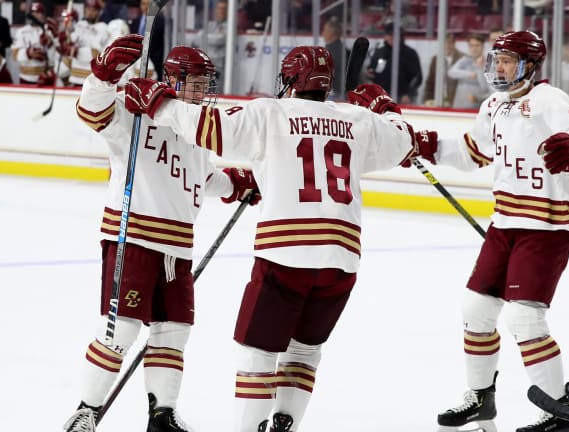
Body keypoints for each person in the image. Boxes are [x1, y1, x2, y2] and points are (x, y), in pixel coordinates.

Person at [122, 46, 416, 432]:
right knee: (306, 349)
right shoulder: (357, 120)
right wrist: (386, 108)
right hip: (342, 259)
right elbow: (405, 141)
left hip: (286, 254)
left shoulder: (269, 112)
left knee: (257, 352)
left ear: (291, 79)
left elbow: (210, 128)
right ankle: (285, 424)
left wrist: (159, 104)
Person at [63, 35, 261, 432]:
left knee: (174, 331)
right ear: (175, 77)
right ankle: (85, 411)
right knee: (121, 330)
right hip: (133, 236)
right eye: (198, 82)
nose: (205, 91)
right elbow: (91, 111)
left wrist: (235, 183)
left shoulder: (193, 126)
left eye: (208, 83)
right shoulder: (135, 110)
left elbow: (200, 178)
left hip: (177, 246)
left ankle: (162, 414)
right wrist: (104, 75)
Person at [409, 30, 569, 432]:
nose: (498, 67)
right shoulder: (494, 104)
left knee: (524, 319)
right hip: (505, 223)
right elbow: (470, 152)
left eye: (507, 61)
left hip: (545, 226)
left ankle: (557, 410)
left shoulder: (550, 99)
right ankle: (481, 398)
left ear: (530, 65)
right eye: (496, 60)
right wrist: (423, 144)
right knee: (475, 309)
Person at [365, 21, 423, 104]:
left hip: (403, 98)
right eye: (389, 35)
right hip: (381, 98)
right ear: (385, 36)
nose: (391, 37)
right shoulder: (379, 52)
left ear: (400, 37)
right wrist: (369, 75)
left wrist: (408, 94)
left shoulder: (410, 54)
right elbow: (372, 72)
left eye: (394, 35)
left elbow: (417, 77)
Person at [58, 0, 110, 86]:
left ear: (99, 12)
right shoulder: (80, 25)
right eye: (88, 9)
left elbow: (97, 54)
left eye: (93, 10)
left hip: (91, 80)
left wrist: (77, 52)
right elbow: (70, 43)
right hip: (75, 77)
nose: (90, 12)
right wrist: (63, 36)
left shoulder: (103, 29)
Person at [11, 1, 55, 85]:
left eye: (39, 12)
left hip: (44, 76)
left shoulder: (49, 31)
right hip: (26, 77)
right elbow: (15, 55)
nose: (36, 15)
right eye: (34, 13)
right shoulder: (21, 32)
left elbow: (53, 59)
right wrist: (28, 53)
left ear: (43, 15)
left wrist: (49, 44)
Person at [191, 0, 227, 93]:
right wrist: (207, 37)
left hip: (219, 65)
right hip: (205, 64)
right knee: (203, 91)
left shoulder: (229, 25)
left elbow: (219, 40)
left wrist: (204, 37)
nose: (221, 11)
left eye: (224, 9)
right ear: (216, 10)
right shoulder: (210, 24)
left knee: (215, 92)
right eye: (219, 9)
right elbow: (196, 38)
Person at [448, 33, 489, 109]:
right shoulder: (464, 60)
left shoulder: (488, 64)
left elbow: (485, 88)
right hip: (459, 105)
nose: (474, 48)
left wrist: (479, 70)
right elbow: (451, 72)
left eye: (477, 45)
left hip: (477, 107)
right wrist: (470, 74)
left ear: (483, 46)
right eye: (471, 46)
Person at [423, 33, 464, 106]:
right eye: (444, 43)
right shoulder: (436, 59)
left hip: (456, 102)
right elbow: (430, 81)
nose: (447, 45)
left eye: (449, 42)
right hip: (438, 101)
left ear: (454, 43)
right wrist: (426, 99)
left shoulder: (462, 59)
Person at [129, 0, 164, 79]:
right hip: (137, 61)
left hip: (155, 63)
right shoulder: (134, 22)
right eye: (143, 4)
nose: (146, 7)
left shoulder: (161, 22)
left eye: (149, 4)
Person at [321, 16, 349, 99]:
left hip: (338, 94)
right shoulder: (339, 48)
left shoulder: (333, 51)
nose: (323, 34)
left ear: (333, 34)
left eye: (325, 31)